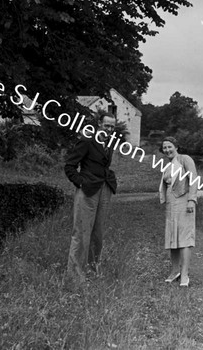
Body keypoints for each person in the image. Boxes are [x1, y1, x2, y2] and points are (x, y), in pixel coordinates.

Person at [64, 113, 117, 285]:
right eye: (106, 125)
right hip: (87, 191)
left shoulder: (109, 142)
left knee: (98, 234)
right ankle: (75, 278)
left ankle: (93, 271)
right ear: (99, 124)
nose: (109, 129)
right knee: (81, 233)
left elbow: (103, 165)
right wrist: (80, 183)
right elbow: (70, 166)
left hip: (104, 189)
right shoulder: (87, 140)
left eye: (112, 127)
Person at [159, 136, 198, 287]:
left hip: (184, 202)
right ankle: (175, 270)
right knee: (172, 236)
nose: (167, 150)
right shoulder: (168, 165)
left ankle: (185, 274)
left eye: (170, 147)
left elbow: (193, 179)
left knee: (184, 237)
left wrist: (191, 200)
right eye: (165, 148)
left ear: (176, 147)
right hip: (171, 204)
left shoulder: (184, 159)